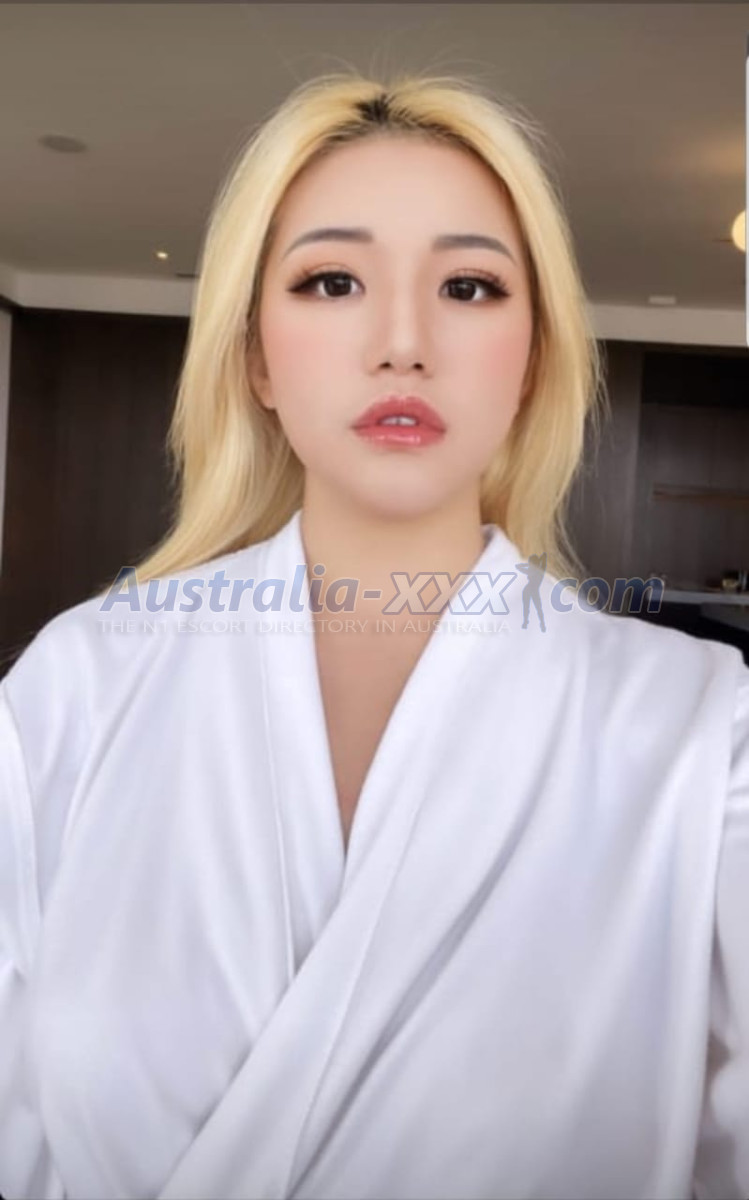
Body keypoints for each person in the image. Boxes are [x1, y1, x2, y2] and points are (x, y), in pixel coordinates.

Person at [0, 69, 747, 1200]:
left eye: (469, 286)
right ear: (256, 355)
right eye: (333, 281)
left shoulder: (701, 735)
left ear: (532, 358)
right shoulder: (75, 687)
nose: (402, 345)